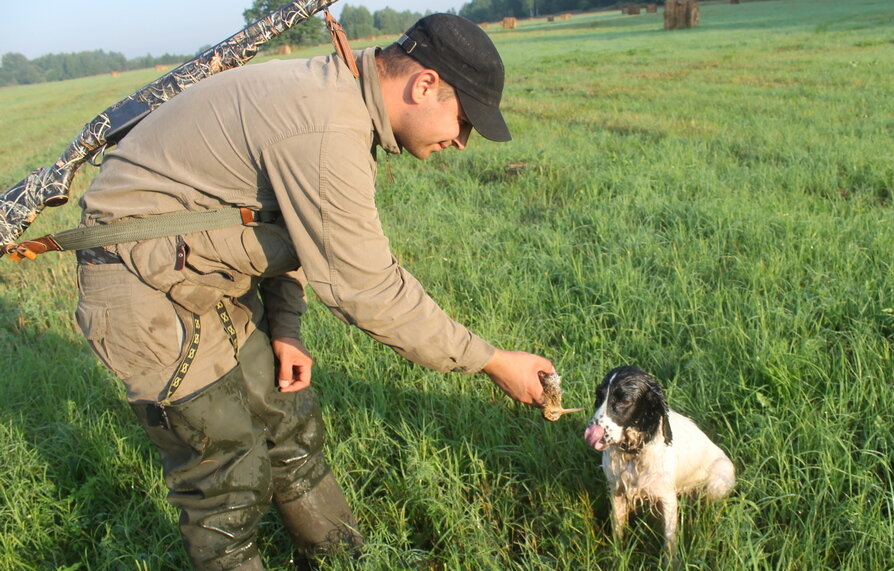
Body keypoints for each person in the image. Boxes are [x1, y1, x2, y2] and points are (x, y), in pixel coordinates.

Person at [72, 13, 553, 570]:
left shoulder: (338, 97)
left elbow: (288, 222)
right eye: (464, 120)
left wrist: (286, 330)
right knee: (228, 472)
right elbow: (368, 287)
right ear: (424, 86)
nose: (463, 142)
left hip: (202, 268)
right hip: (141, 284)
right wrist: (492, 361)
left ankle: (343, 560)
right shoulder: (327, 125)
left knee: (290, 419)